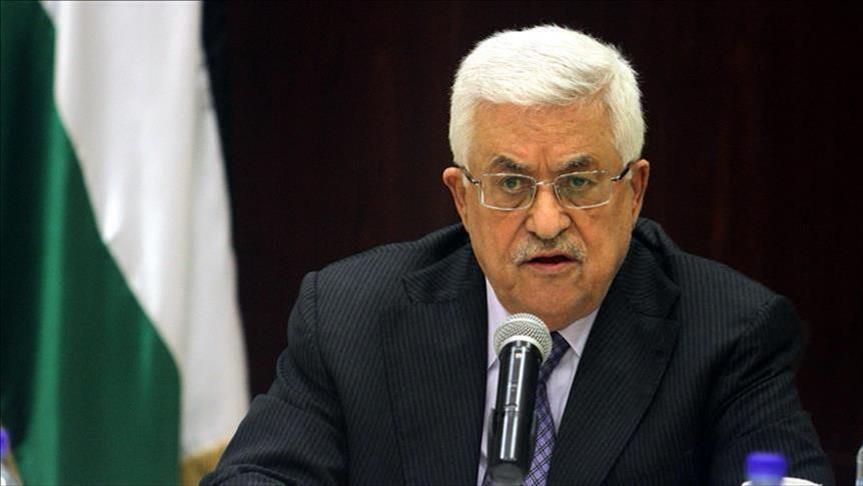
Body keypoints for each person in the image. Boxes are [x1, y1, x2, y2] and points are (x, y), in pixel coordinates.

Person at [203, 25, 834, 485]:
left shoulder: (728, 332)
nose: (547, 221)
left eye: (579, 182)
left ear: (634, 191)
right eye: (511, 184)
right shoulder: (351, 316)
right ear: (462, 199)